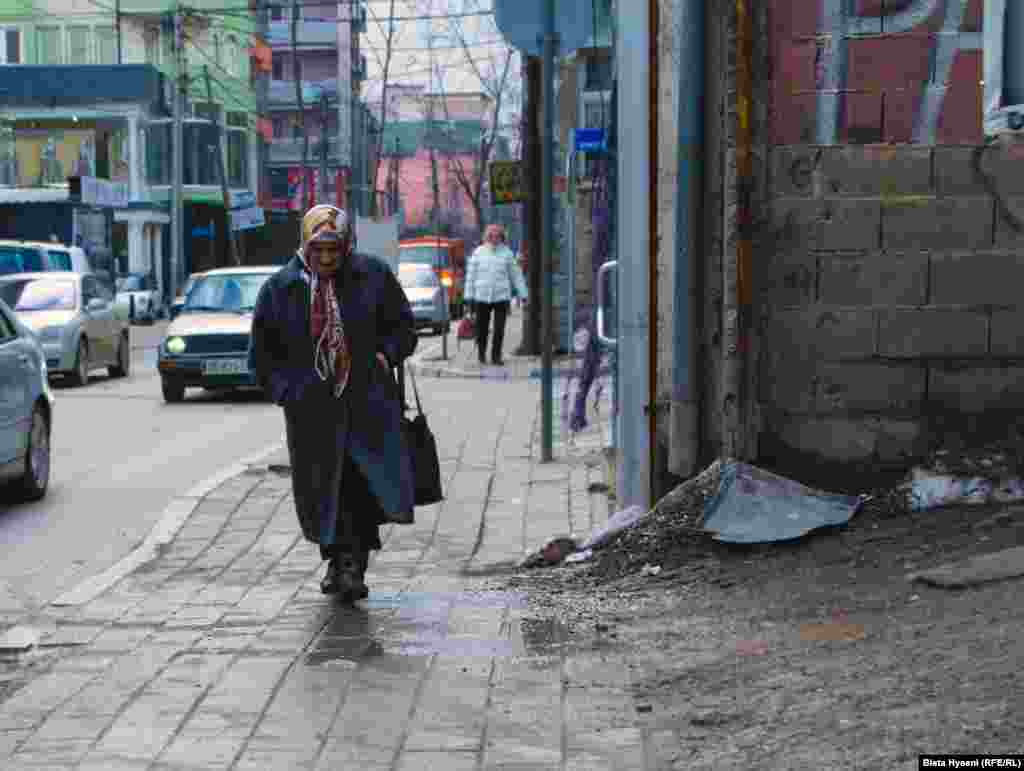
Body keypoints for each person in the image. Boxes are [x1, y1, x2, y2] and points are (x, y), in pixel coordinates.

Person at [248, 204, 417, 602]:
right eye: (318, 250)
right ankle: (337, 560)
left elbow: (404, 327)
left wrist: (384, 355)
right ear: (304, 246)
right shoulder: (280, 289)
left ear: (347, 247)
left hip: (368, 405)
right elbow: (261, 357)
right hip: (313, 415)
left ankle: (351, 564)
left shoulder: (372, 276)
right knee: (326, 492)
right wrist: (288, 392)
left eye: (334, 250)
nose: (326, 258)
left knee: (362, 487)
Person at [463, 224, 528, 366]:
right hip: (481, 296)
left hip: (501, 297)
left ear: (501, 237)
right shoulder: (478, 252)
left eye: (497, 235)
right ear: (486, 237)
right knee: (482, 329)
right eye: (490, 235)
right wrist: (468, 297)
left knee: (499, 329)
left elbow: (516, 275)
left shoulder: (507, 253)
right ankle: (481, 353)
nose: (493, 238)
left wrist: (523, 294)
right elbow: (471, 276)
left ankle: (496, 356)